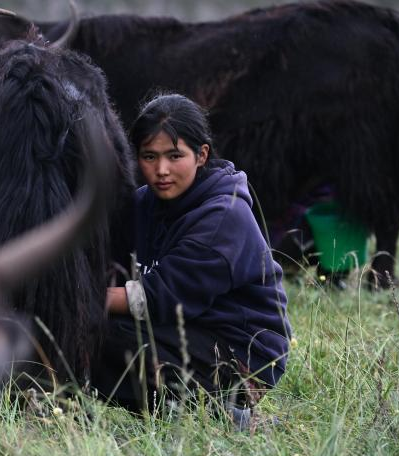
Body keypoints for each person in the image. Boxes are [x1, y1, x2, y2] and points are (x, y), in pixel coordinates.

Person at [91, 94, 291, 424]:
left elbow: (156, 298)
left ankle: (223, 414)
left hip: (243, 356)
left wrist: (76, 302)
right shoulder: (144, 204)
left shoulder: (223, 218)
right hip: (188, 328)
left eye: (174, 155)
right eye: (149, 156)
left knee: (105, 336)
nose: (161, 170)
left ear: (201, 155)